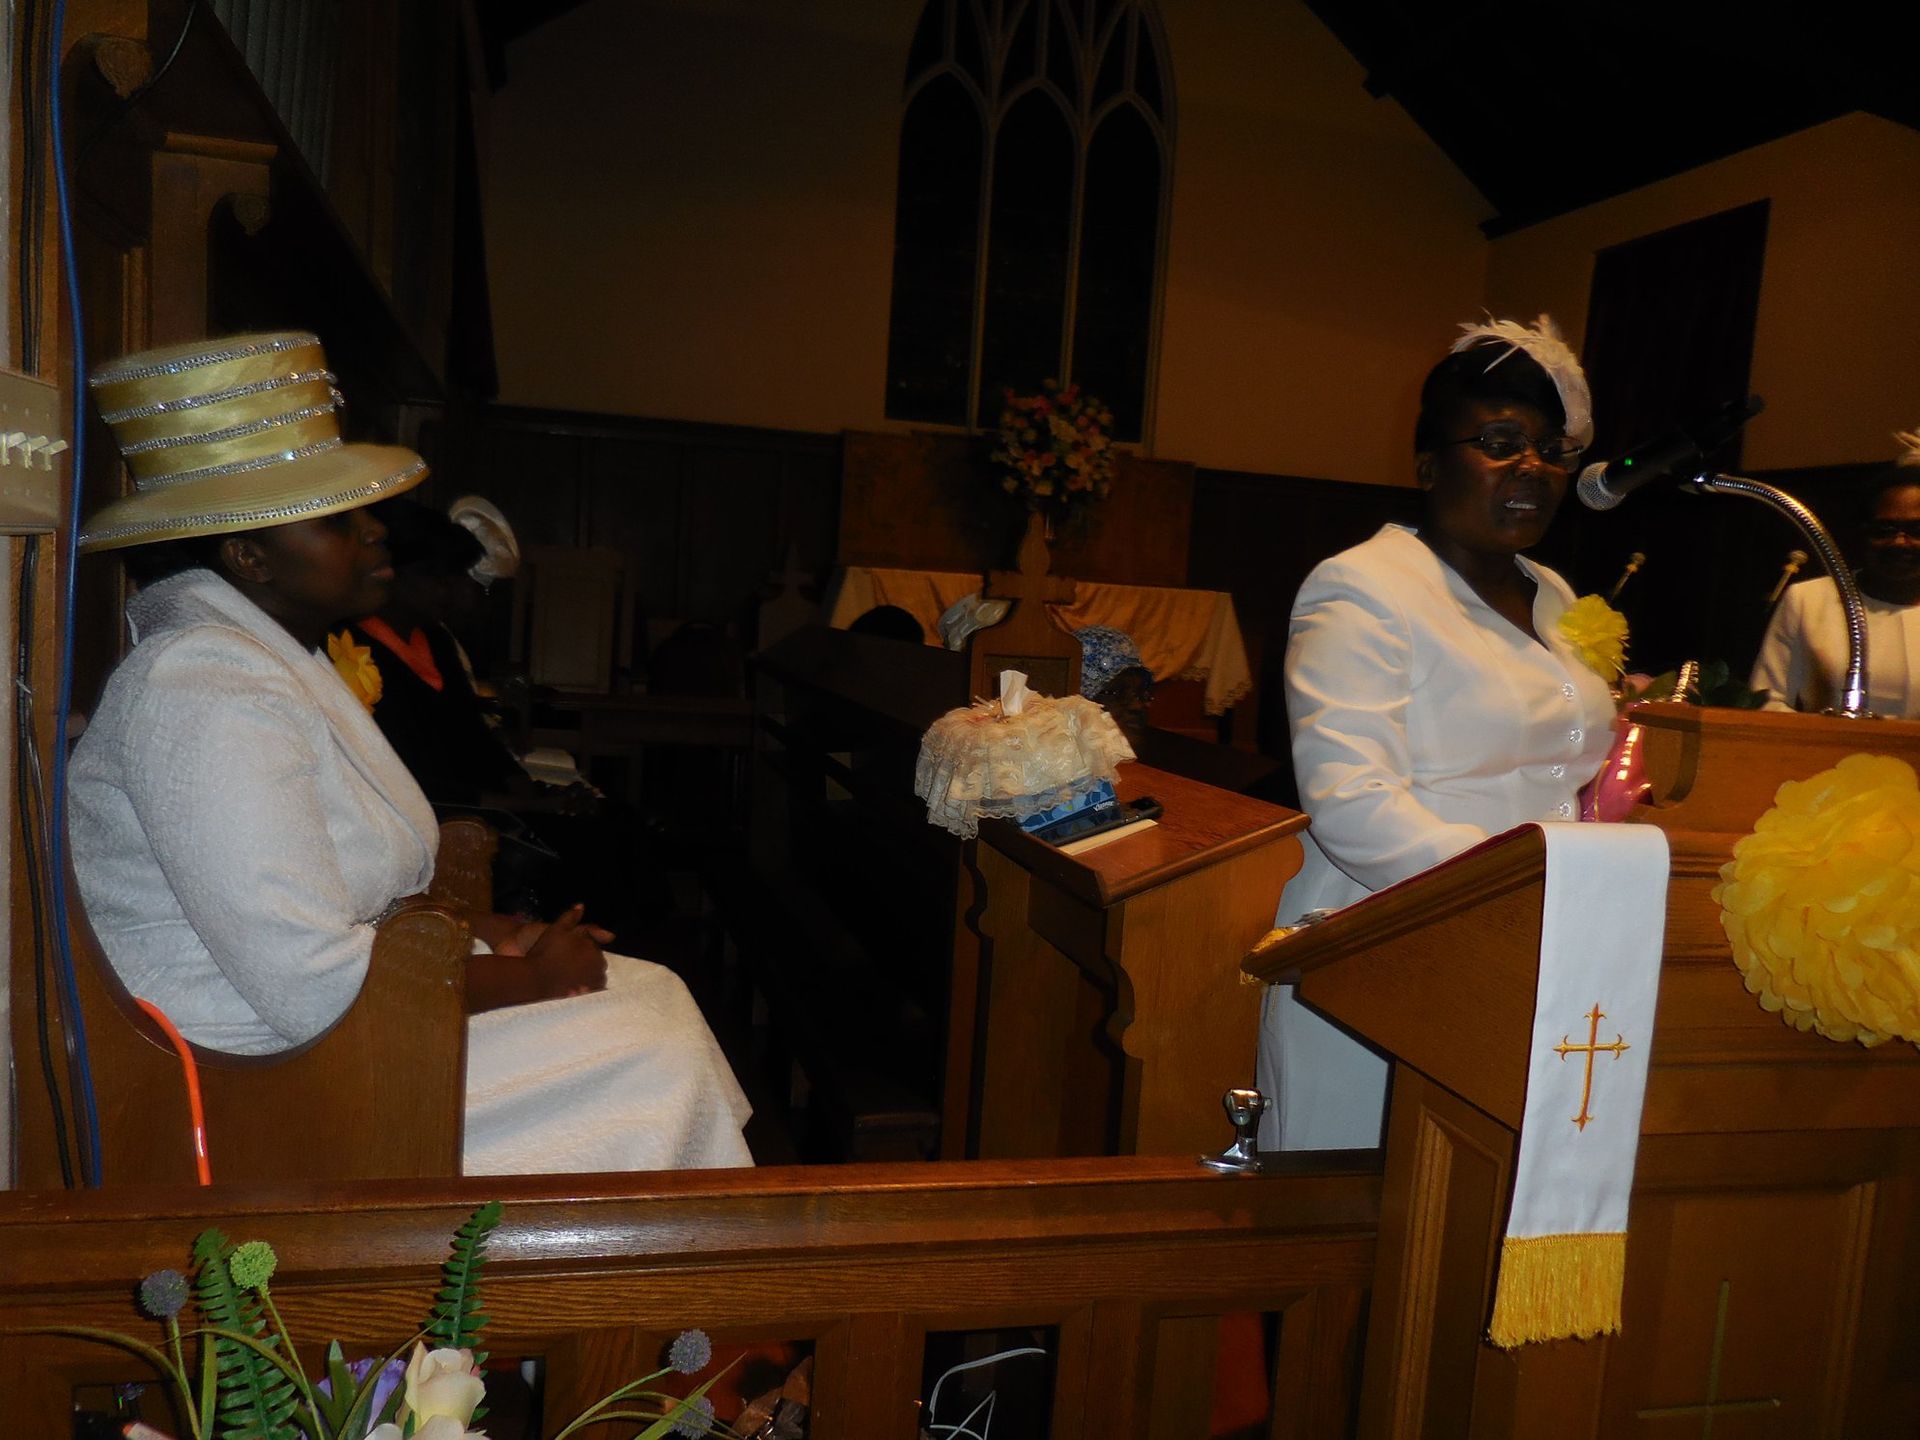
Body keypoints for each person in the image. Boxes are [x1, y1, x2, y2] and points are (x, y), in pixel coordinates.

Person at [68, 331, 752, 1175]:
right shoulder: (204, 690)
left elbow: (327, 887)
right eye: (336, 520)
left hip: (301, 1028)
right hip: (240, 1079)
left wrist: (485, 930)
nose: (375, 531)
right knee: (648, 1048)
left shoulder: (264, 657)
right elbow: (307, 983)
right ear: (248, 557)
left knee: (654, 996)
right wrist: (531, 981)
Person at [1258, 316, 1618, 1150]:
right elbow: (1351, 802)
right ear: (1428, 464)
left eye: (1551, 450)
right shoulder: (1361, 588)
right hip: (1391, 944)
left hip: (1541, 947)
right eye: (1499, 441)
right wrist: (1510, 892)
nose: (1532, 466)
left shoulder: (1556, 593)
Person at [1750, 437, 1920, 716]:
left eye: (1916, 531)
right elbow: (1768, 699)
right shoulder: (1808, 600)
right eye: (1885, 530)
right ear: (1864, 534)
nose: (1899, 542)